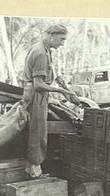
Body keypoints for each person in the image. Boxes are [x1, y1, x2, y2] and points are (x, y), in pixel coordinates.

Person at [22, 24, 77, 178]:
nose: (62, 43)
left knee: (37, 130)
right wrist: (62, 91)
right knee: (38, 132)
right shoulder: (41, 53)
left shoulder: (44, 50)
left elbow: (51, 74)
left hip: (35, 93)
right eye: (61, 39)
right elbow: (39, 85)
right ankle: (34, 171)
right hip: (36, 94)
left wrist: (64, 86)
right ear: (51, 36)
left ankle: (30, 168)